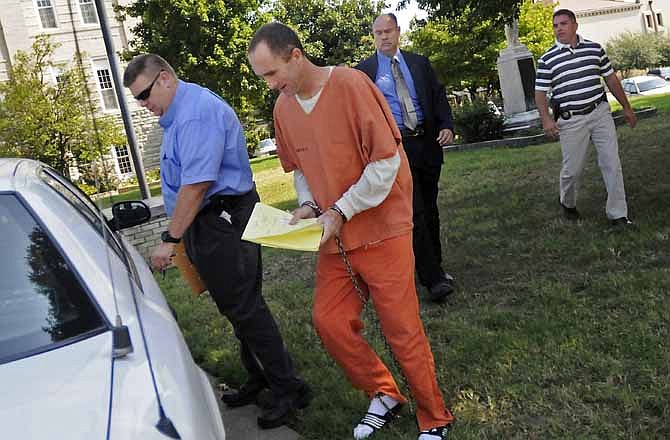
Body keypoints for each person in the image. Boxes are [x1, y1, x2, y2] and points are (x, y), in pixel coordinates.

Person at [248, 22, 454, 440]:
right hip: (335, 237)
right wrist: (308, 204)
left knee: (402, 329)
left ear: (296, 56)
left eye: (272, 74)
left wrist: (340, 209)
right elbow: (302, 168)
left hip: (383, 230)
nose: (270, 85)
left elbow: (386, 164)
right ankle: (384, 392)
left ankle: (435, 417)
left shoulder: (352, 84)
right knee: (330, 322)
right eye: (263, 77)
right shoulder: (284, 109)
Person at [122, 54, 310, 429]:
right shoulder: (177, 113)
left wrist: (170, 238)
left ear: (164, 79)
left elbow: (197, 184)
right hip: (210, 223)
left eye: (144, 94)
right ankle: (260, 377)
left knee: (245, 308)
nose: (143, 105)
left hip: (223, 220)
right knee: (236, 307)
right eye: (137, 99)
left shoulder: (193, 114)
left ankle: (289, 389)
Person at [356, 13, 456, 303]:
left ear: (398, 32)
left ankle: (435, 265)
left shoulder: (419, 63)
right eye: (378, 33)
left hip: (427, 143)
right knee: (415, 211)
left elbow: (438, 97)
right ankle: (433, 280)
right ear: (372, 36)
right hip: (394, 149)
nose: (384, 37)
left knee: (430, 206)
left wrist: (446, 125)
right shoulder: (364, 72)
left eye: (388, 31)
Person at [535, 9, 637, 226]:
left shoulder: (594, 49)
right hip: (571, 121)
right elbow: (540, 93)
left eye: (563, 24)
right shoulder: (547, 59)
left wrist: (626, 107)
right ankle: (568, 202)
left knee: (611, 162)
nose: (559, 29)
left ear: (574, 25)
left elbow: (611, 79)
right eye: (555, 25)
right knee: (572, 170)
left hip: (600, 113)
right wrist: (546, 120)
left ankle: (618, 214)